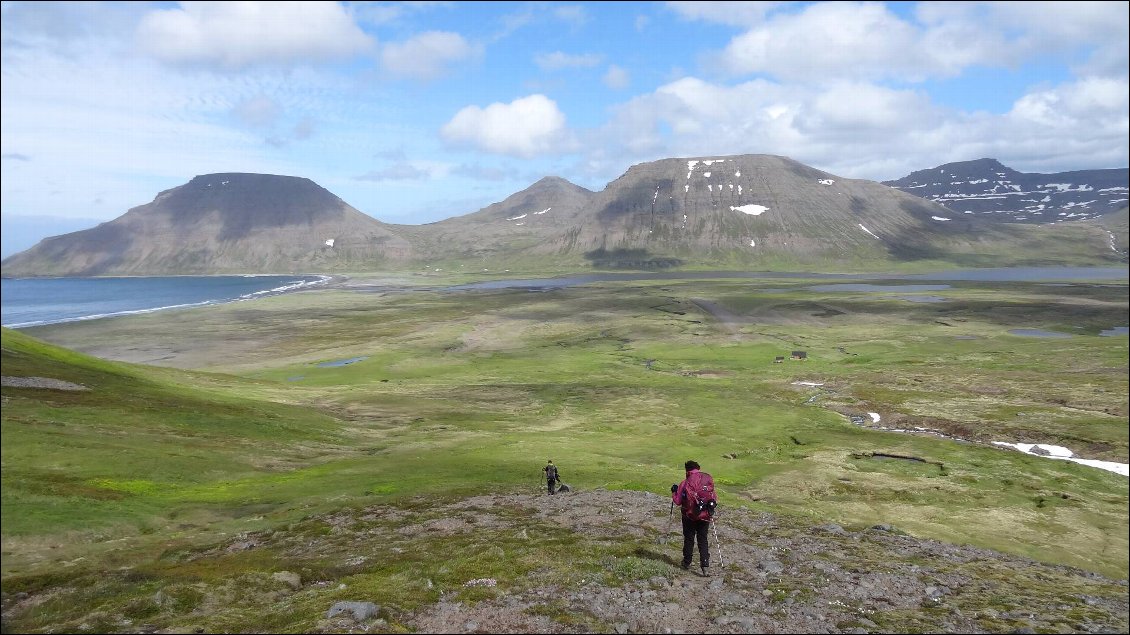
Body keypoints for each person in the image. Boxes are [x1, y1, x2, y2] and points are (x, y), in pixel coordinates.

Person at [672, 459, 715, 576]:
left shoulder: (685, 483)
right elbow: (714, 497)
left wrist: (674, 492)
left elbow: (677, 501)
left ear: (687, 470)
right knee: (703, 539)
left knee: (689, 538)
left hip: (688, 515)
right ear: (698, 468)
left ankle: (686, 562)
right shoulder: (706, 480)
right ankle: (705, 566)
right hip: (705, 514)